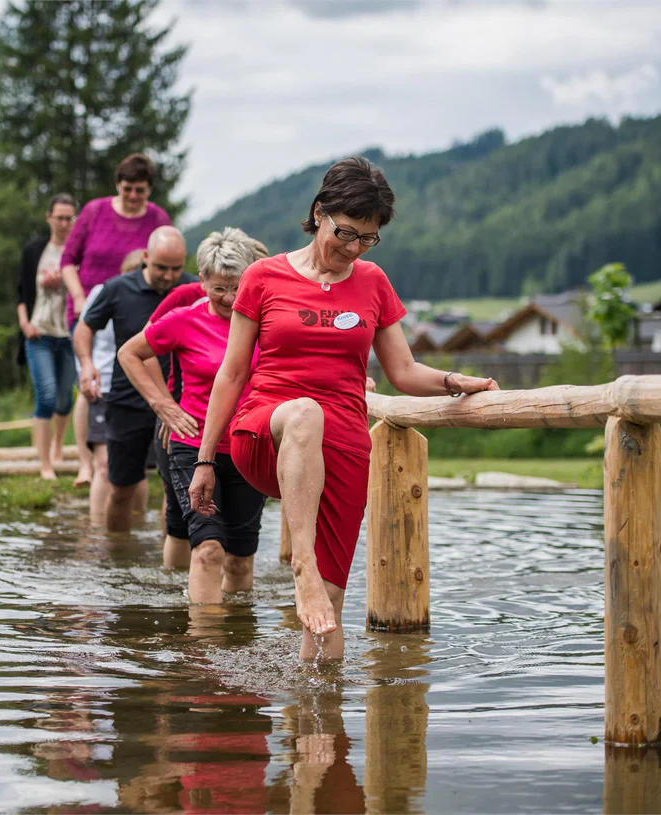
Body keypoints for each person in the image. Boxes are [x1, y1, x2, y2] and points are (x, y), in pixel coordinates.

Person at [188, 156, 499, 661]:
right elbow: (232, 373)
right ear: (319, 213)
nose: (352, 249)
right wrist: (205, 459)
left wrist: (451, 382)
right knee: (307, 412)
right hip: (267, 429)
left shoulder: (373, 281)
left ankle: (317, 720)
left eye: (367, 239)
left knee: (328, 612)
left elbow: (401, 370)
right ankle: (302, 567)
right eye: (346, 233)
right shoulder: (263, 277)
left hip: (344, 449)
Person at [118, 228, 267, 605]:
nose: (229, 299)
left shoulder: (265, 321)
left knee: (240, 562)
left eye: (236, 288)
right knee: (207, 549)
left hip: (250, 446)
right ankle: (201, 648)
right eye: (218, 289)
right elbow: (130, 353)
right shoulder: (184, 318)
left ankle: (237, 641)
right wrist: (164, 406)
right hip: (193, 444)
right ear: (201, 281)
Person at [74, 226, 197, 532]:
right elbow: (83, 329)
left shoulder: (194, 290)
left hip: (180, 404)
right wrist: (87, 364)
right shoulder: (117, 289)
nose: (169, 276)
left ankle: (167, 566)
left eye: (175, 268)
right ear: (145, 257)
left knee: (176, 492)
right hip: (127, 402)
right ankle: (117, 557)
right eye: (160, 268)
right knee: (121, 490)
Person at [60, 153, 172, 329]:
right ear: (118, 185)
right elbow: (67, 261)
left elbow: (169, 267)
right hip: (89, 309)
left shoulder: (158, 219)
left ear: (149, 189)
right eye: (127, 189)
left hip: (138, 314)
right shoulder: (94, 211)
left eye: (140, 190)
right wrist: (78, 298)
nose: (133, 195)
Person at [72, 249, 145, 493]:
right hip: (104, 381)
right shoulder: (106, 292)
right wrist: (86, 367)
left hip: (138, 386)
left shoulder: (153, 298)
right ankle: (85, 464)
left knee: (138, 470)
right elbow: (83, 332)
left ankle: (133, 529)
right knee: (103, 464)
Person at [17, 194, 78, 480]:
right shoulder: (34, 250)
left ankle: (58, 444)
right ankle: (44, 465)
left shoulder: (79, 251)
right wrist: (25, 324)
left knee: (66, 399)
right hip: (39, 332)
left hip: (68, 334)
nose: (65, 223)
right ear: (49, 217)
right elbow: (21, 292)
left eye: (69, 218)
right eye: (60, 217)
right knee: (47, 396)